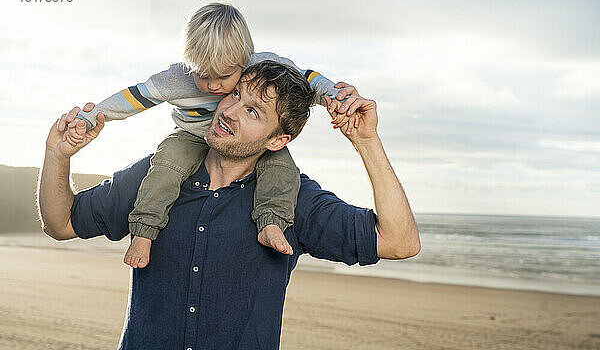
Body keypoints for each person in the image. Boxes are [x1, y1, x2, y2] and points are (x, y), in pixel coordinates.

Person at [38, 60, 421, 350]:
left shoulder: (294, 201)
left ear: (278, 140)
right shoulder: (156, 176)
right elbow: (61, 223)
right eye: (236, 95)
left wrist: (366, 141)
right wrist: (57, 155)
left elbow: (400, 242)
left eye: (253, 111)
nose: (230, 111)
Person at [66, 2, 344, 268]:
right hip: (190, 135)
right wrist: (91, 117)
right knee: (165, 168)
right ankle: (143, 232)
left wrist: (333, 96)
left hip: (241, 142)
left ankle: (271, 221)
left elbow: (305, 79)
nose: (212, 85)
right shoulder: (175, 79)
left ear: (244, 60)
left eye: (224, 77)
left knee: (282, 168)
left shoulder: (261, 66)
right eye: (203, 75)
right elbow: (133, 98)